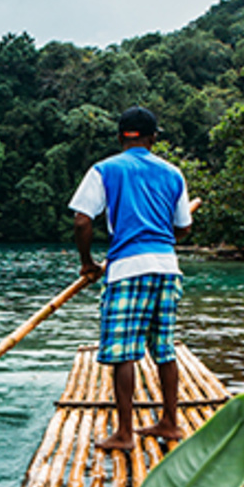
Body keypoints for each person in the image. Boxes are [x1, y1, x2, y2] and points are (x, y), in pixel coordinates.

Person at [69, 105, 200, 451]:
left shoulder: (105, 169)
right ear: (153, 138)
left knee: (123, 352)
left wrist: (88, 262)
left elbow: (83, 221)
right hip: (167, 268)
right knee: (164, 349)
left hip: (128, 269)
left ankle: (125, 433)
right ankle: (170, 422)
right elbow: (184, 227)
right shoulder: (173, 174)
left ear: (120, 137)